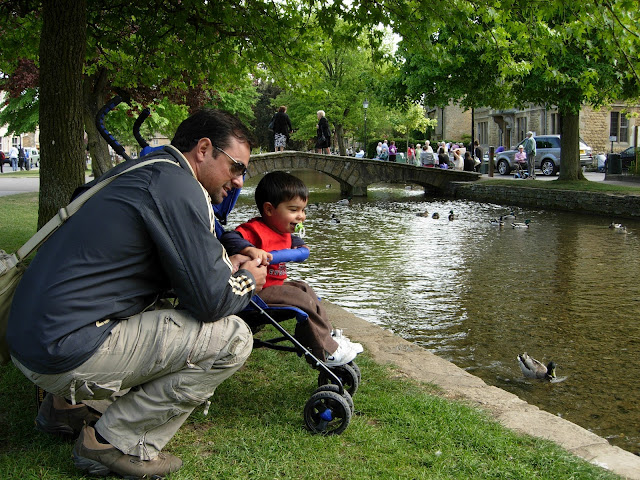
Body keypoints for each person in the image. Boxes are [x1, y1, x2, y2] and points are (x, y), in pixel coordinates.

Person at [7, 109, 268, 479]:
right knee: (233, 339)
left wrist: (225, 263)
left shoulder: (139, 170)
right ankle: (115, 443)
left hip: (28, 341)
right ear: (204, 149)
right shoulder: (178, 186)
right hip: (64, 351)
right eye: (236, 167)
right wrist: (247, 279)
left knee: (154, 304)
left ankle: (64, 407)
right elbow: (210, 301)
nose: (240, 181)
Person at [221, 171, 362, 366]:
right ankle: (325, 350)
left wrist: (301, 247)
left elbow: (295, 242)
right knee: (299, 299)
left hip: (274, 287)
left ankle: (330, 337)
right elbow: (229, 238)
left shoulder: (284, 231)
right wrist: (250, 249)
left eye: (303, 210)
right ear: (269, 210)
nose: (301, 216)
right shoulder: (255, 229)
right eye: (294, 210)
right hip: (256, 292)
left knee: (304, 288)